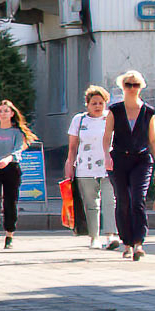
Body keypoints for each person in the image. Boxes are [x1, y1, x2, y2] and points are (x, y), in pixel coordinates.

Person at [103, 70, 155, 261]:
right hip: (119, 159)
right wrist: (106, 156)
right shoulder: (115, 110)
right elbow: (107, 136)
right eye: (128, 85)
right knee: (123, 200)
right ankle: (127, 243)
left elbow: (153, 140)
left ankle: (139, 243)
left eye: (135, 85)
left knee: (138, 199)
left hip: (142, 160)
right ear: (122, 87)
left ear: (141, 87)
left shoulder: (148, 112)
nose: (131, 88)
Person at [65, 86, 120, 250]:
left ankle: (111, 235)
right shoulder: (79, 120)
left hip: (108, 166)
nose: (97, 106)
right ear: (87, 104)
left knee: (110, 201)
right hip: (85, 167)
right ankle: (94, 237)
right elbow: (73, 147)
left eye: (101, 103)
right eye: (94, 103)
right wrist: (70, 165)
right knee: (91, 203)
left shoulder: (111, 118)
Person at [0, 100, 35, 250]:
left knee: (10, 202)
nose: (3, 114)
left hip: (11, 168)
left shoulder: (16, 132)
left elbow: (17, 151)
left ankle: (9, 235)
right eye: (0, 111)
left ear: (11, 113)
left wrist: (7, 159)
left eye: (6, 111)